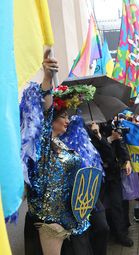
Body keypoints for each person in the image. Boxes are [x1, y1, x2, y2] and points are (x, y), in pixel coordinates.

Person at [21, 49, 97, 255]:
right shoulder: (43, 144)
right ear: (52, 120)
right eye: (63, 115)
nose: (67, 119)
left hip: (73, 219)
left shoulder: (62, 144)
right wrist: (47, 78)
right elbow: (44, 111)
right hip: (51, 222)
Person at [87, 120, 134, 248]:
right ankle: (93, 236)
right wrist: (109, 138)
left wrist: (127, 160)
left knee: (117, 205)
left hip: (113, 174)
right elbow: (98, 150)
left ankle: (121, 234)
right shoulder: (91, 127)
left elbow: (121, 144)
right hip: (99, 175)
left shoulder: (113, 126)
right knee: (96, 208)